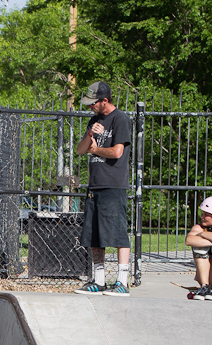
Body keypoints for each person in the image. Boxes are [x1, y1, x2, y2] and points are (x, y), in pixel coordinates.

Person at [73, 81, 133, 297]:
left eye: (93, 103)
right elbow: (81, 150)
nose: (90, 107)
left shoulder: (120, 119)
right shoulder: (94, 120)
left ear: (104, 101)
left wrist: (96, 150)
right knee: (94, 234)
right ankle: (98, 281)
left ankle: (122, 282)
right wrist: (90, 134)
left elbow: (117, 152)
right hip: (95, 184)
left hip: (113, 184)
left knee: (118, 233)